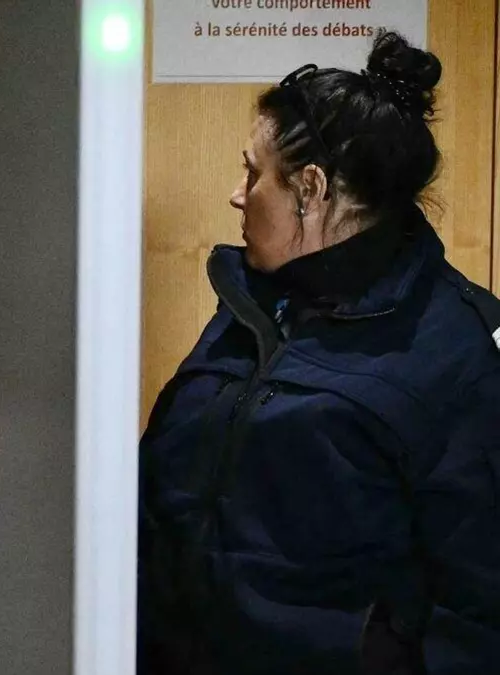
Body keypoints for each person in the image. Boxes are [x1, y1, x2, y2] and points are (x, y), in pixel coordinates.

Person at [138, 31, 500, 674]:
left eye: (254, 173)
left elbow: (480, 605)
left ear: (311, 187)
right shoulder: (254, 303)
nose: (238, 193)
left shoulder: (458, 348)